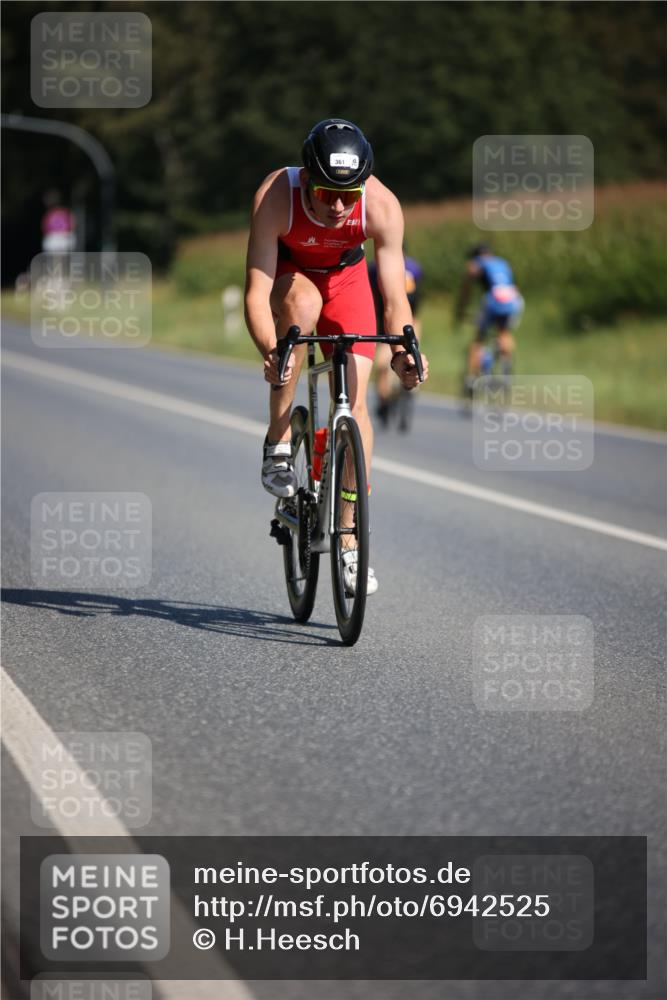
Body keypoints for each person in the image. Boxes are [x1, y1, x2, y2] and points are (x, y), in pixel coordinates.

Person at [244, 118, 429, 596]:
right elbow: (256, 290)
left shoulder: (381, 205)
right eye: (327, 195)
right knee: (301, 309)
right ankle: (279, 442)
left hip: (347, 281)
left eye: (350, 195)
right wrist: (272, 350)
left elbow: (393, 297)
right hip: (291, 274)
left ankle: (348, 539)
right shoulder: (275, 196)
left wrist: (404, 351)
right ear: (306, 180)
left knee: (356, 402)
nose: (340, 206)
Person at [454, 243, 523, 390]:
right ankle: (506, 363)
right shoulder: (502, 262)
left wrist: (460, 311)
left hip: (494, 299)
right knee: (504, 331)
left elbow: (466, 291)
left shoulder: (477, 263)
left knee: (479, 338)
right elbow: (513, 285)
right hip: (513, 298)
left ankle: (471, 378)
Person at [368, 252, 423, 430]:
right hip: (411, 319)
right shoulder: (415, 267)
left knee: (382, 366)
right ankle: (411, 386)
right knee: (413, 359)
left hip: (390, 319)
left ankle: (385, 401)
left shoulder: (374, 267)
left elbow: (374, 297)